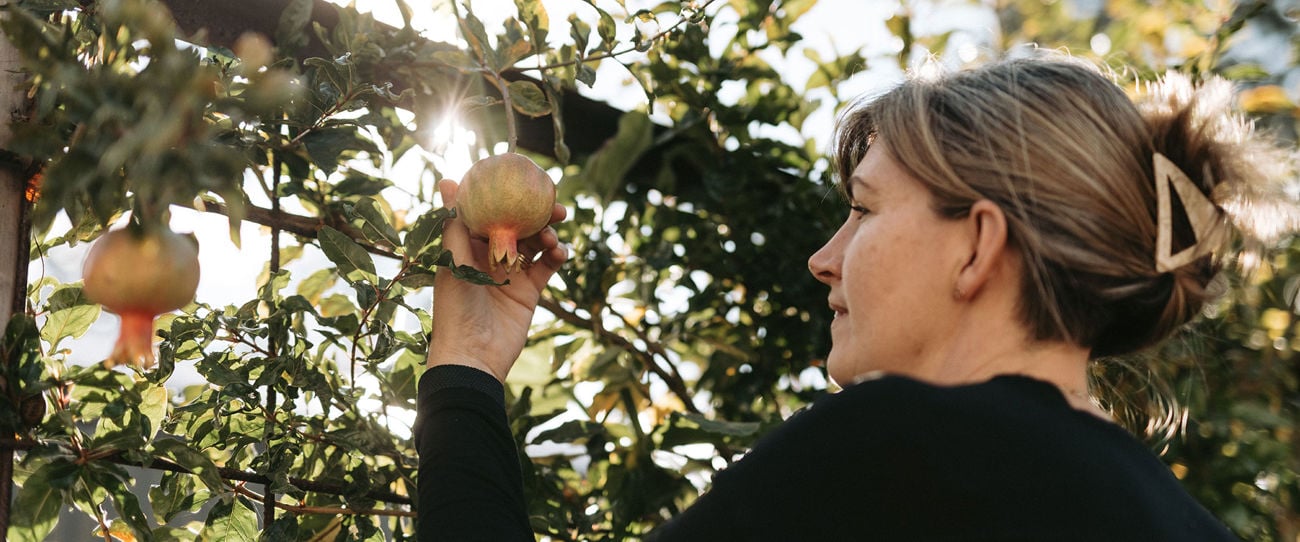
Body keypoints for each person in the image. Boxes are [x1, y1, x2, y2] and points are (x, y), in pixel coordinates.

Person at [414, 54, 1287, 540]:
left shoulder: (897, 451)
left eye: (863, 209)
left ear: (979, 244)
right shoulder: (1191, 530)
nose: (822, 260)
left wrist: (463, 373)